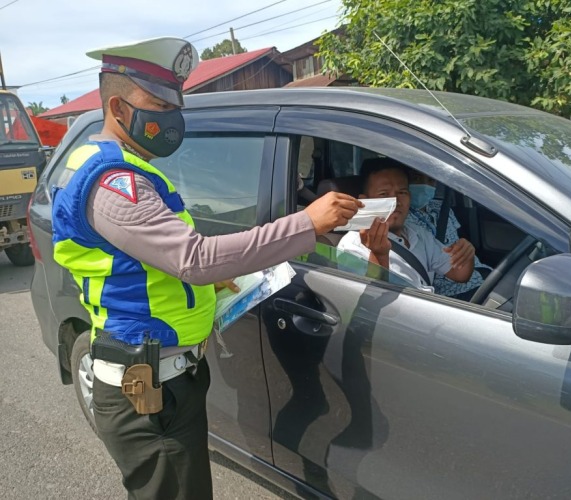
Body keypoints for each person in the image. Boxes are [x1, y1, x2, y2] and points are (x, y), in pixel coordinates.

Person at [50, 37, 361, 500]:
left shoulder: (125, 167)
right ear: (117, 107)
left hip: (168, 378)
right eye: (159, 106)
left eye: (174, 107)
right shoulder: (114, 183)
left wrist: (207, 281)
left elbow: (145, 263)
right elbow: (193, 258)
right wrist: (306, 223)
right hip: (150, 392)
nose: (171, 119)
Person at [338, 157, 473, 290]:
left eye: (402, 192)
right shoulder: (352, 246)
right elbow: (369, 299)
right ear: (364, 201)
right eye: (383, 194)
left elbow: (460, 274)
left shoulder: (417, 234)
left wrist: (466, 253)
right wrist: (379, 256)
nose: (396, 201)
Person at [407, 170, 492, 300]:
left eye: (431, 180)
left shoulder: (442, 208)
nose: (425, 186)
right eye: (416, 178)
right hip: (453, 292)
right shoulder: (402, 221)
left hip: (480, 274)